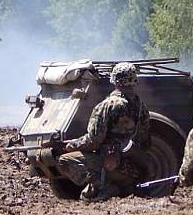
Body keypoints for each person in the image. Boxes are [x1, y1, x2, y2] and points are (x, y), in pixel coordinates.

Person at [57, 61, 150, 202]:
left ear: (114, 80)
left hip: (111, 164)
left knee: (65, 160)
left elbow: (93, 141)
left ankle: (104, 187)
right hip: (131, 167)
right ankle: (123, 187)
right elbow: (144, 141)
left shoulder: (108, 105)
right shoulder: (141, 106)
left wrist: (72, 145)